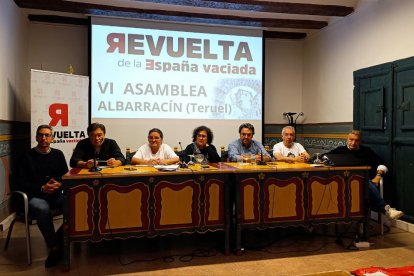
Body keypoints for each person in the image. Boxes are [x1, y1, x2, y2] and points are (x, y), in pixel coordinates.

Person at [16, 125, 68, 268]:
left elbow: (65, 176)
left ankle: (58, 238)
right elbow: (20, 182)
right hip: (35, 196)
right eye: (41, 135)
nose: (44, 138)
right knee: (42, 209)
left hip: (56, 195)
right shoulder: (26, 157)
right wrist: (41, 187)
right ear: (36, 137)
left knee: (75, 204)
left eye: (47, 135)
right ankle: (54, 247)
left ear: (52, 138)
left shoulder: (58, 154)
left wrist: (60, 184)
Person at [328, 130, 403, 220]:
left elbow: (382, 164)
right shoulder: (340, 150)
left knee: (365, 181)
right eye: (351, 140)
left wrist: (378, 176)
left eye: (356, 140)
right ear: (347, 139)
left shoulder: (366, 151)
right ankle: (387, 210)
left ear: (360, 141)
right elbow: (322, 157)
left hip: (363, 182)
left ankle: (387, 210)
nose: (353, 143)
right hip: (343, 184)